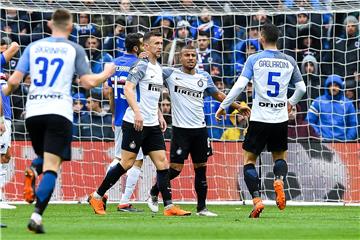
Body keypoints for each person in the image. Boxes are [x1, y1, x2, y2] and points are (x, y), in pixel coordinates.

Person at [2, 9, 115, 233]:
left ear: (49, 24)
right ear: (71, 28)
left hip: (32, 112)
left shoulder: (34, 47)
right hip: (58, 111)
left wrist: (3, 91)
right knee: (52, 165)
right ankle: (36, 217)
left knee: (45, 157)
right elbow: (87, 83)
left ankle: (34, 170)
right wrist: (106, 73)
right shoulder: (74, 48)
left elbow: (14, 82)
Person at [88, 31, 190, 216]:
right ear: (146, 47)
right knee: (126, 163)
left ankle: (168, 207)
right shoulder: (140, 65)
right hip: (134, 123)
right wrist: (137, 113)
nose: (160, 46)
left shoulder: (157, 67)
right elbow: (128, 89)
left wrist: (159, 114)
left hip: (152, 125)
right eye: (156, 43)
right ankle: (97, 196)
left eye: (161, 43)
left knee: (162, 164)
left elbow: (151, 94)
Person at [147, 45, 250, 216]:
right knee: (175, 169)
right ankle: (153, 191)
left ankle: (202, 208)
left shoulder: (204, 76)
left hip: (200, 130)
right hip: (181, 130)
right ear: (180, 58)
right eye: (186, 55)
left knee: (201, 168)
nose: (190, 58)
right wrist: (146, 57)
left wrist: (237, 106)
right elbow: (151, 71)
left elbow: (218, 95)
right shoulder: (170, 74)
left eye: (193, 55)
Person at [215, 23, 306, 218]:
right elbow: (302, 89)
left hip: (259, 117)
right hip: (280, 118)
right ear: (277, 39)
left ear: (261, 39)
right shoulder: (289, 60)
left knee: (249, 161)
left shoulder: (254, 59)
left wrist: (224, 106)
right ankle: (279, 180)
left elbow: (240, 85)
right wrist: (290, 103)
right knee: (279, 158)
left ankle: (257, 200)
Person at [89, 33, 145, 213]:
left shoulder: (114, 64)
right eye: (143, 44)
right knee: (135, 161)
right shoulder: (139, 64)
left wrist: (114, 115)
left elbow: (110, 93)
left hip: (120, 117)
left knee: (121, 158)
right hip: (135, 117)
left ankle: (102, 194)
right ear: (136, 48)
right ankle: (119, 200)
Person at [306, 75, 357, 141]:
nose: (333, 88)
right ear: (327, 87)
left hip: (343, 143)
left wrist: (347, 139)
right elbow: (309, 120)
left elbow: (353, 124)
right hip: (321, 142)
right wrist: (318, 135)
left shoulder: (348, 103)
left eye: (336, 85)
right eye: (331, 85)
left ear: (340, 87)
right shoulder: (318, 101)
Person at [0, 40, 19, 210]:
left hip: (6, 116)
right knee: (2, 155)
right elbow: (15, 46)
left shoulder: (2, 71)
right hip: (1, 117)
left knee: (6, 155)